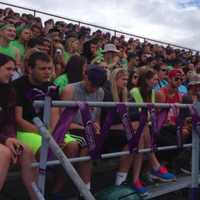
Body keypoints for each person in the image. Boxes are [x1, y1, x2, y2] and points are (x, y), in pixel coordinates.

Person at [129, 68, 176, 195]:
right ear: (146, 80)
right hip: (135, 125)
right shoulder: (134, 91)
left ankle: (139, 178)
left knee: (173, 137)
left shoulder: (152, 93)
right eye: (154, 79)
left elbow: (151, 114)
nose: (156, 82)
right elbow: (140, 113)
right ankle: (154, 167)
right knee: (143, 132)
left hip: (148, 126)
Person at [60, 64, 106, 192]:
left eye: (97, 86)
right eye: (92, 85)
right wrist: (87, 127)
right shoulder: (70, 90)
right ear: (85, 75)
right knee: (89, 141)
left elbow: (97, 117)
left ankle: (85, 187)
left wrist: (97, 126)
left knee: (95, 138)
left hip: (86, 129)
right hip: (70, 129)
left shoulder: (100, 91)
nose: (93, 89)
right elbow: (62, 120)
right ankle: (85, 188)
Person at [0, 53, 37, 200]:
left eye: (14, 69)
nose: (12, 73)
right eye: (8, 69)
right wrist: (5, 140)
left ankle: (36, 196)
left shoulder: (9, 90)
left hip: (3, 136)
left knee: (24, 149)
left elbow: (9, 122)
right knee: (4, 153)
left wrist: (12, 139)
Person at [13, 51, 60, 156]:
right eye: (42, 69)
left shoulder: (52, 87)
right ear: (30, 69)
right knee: (45, 148)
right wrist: (44, 133)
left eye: (49, 68)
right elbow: (18, 119)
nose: (47, 72)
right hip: (25, 131)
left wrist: (54, 133)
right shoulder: (17, 86)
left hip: (48, 131)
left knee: (72, 146)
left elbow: (55, 115)